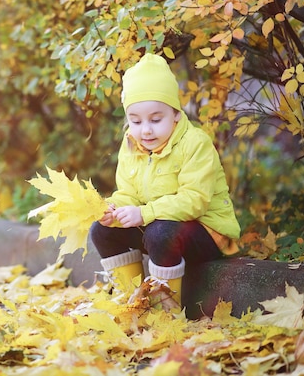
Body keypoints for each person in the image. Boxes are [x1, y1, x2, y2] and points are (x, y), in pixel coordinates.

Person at [89, 53, 241, 308]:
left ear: (176, 115)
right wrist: (115, 209)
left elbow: (195, 201)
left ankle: (165, 310)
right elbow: (128, 192)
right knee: (102, 230)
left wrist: (144, 213)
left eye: (156, 120)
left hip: (204, 233)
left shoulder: (195, 143)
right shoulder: (132, 145)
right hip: (158, 228)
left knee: (161, 232)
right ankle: (133, 301)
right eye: (135, 121)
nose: (145, 129)